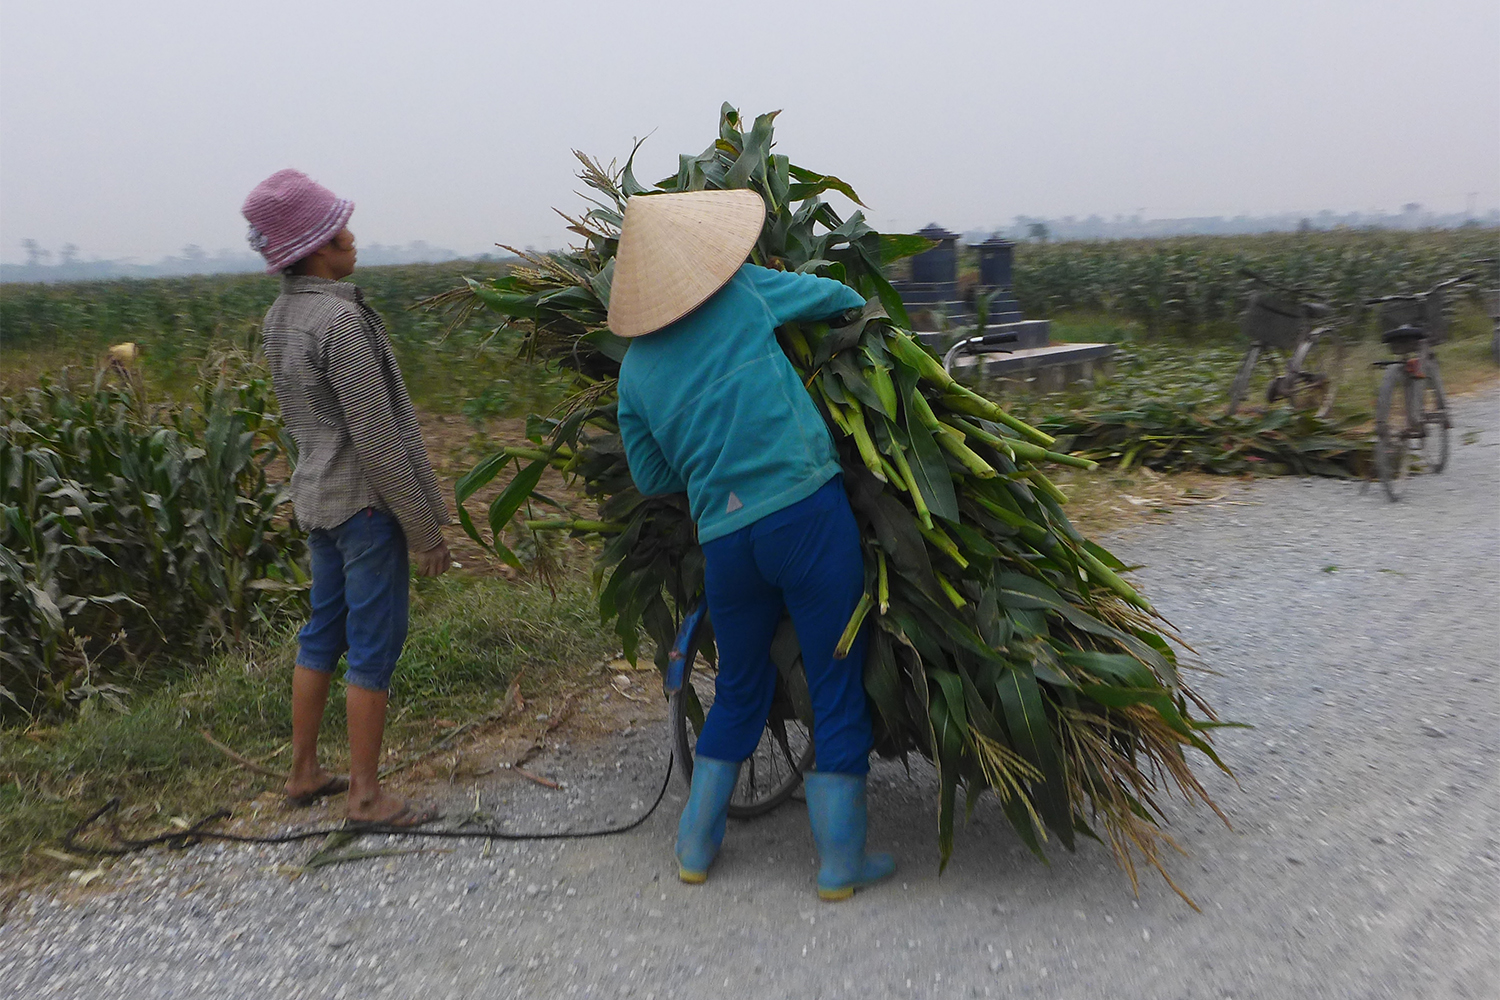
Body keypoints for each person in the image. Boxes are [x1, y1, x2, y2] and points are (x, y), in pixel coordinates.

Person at [609, 188, 896, 901]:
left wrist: (708, 455)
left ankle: (696, 847)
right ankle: (839, 863)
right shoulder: (742, 293)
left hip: (726, 540)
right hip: (805, 514)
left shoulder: (634, 373)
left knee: (739, 682)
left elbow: (649, 475)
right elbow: (829, 296)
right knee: (833, 680)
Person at [242, 169, 452, 827]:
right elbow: (378, 438)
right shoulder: (340, 319)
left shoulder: (281, 316)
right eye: (340, 229)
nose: (352, 237)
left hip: (317, 501)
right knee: (371, 645)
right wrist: (423, 528)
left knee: (321, 635)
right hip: (365, 508)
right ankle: (365, 795)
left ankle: (304, 772)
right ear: (318, 245)